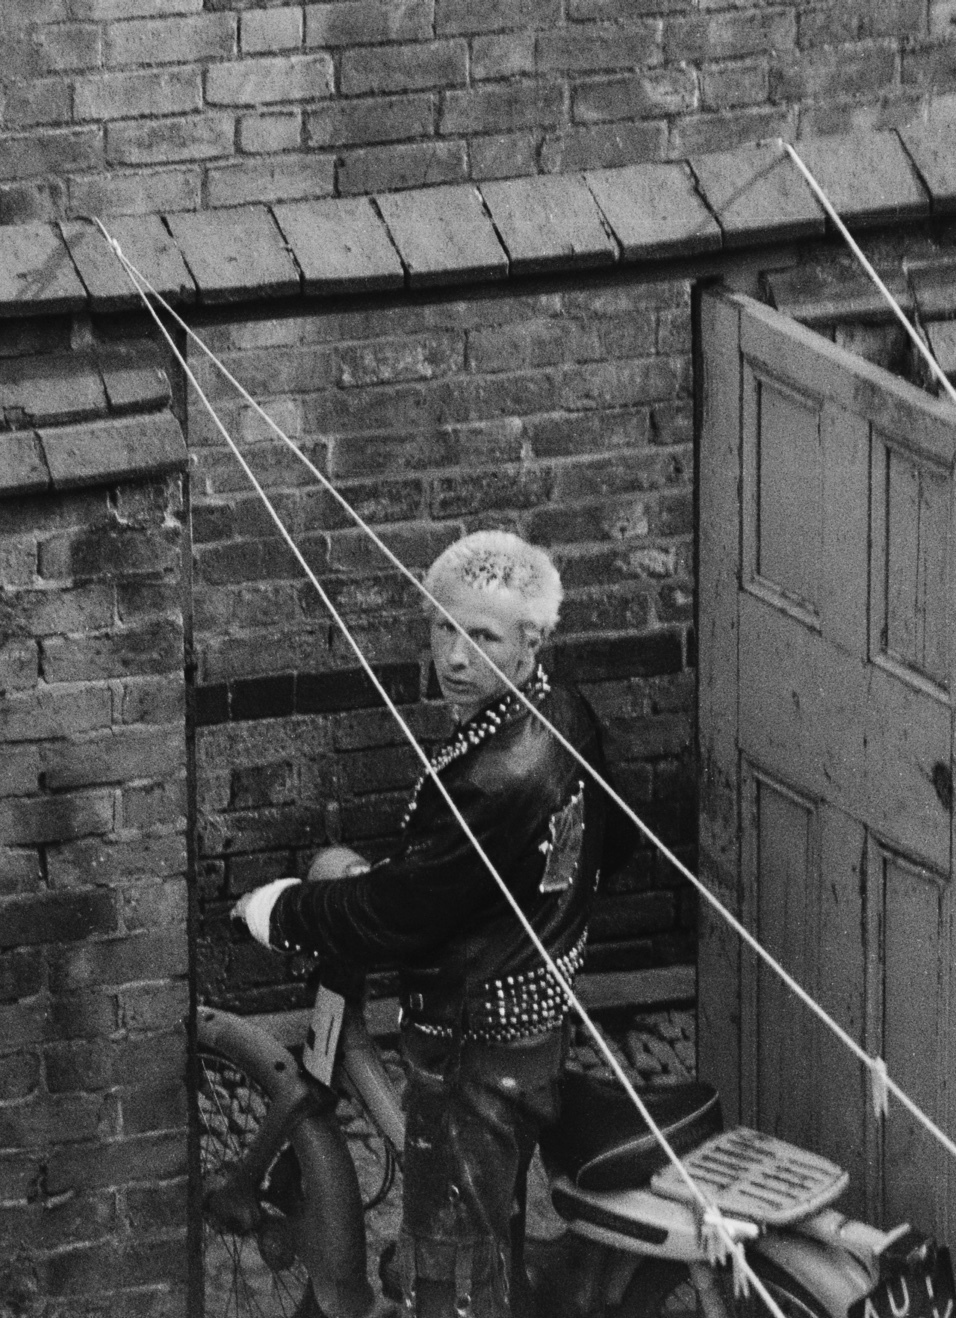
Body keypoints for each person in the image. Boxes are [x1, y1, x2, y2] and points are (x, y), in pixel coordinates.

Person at [232, 529, 628, 1318]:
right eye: (443, 628)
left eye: (480, 637)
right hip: (531, 1011)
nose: (453, 656)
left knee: (450, 1281)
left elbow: (399, 915)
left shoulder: (495, 775)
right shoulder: (562, 713)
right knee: (490, 1234)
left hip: (469, 1048)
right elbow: (602, 851)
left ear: (531, 640)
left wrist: (281, 912)